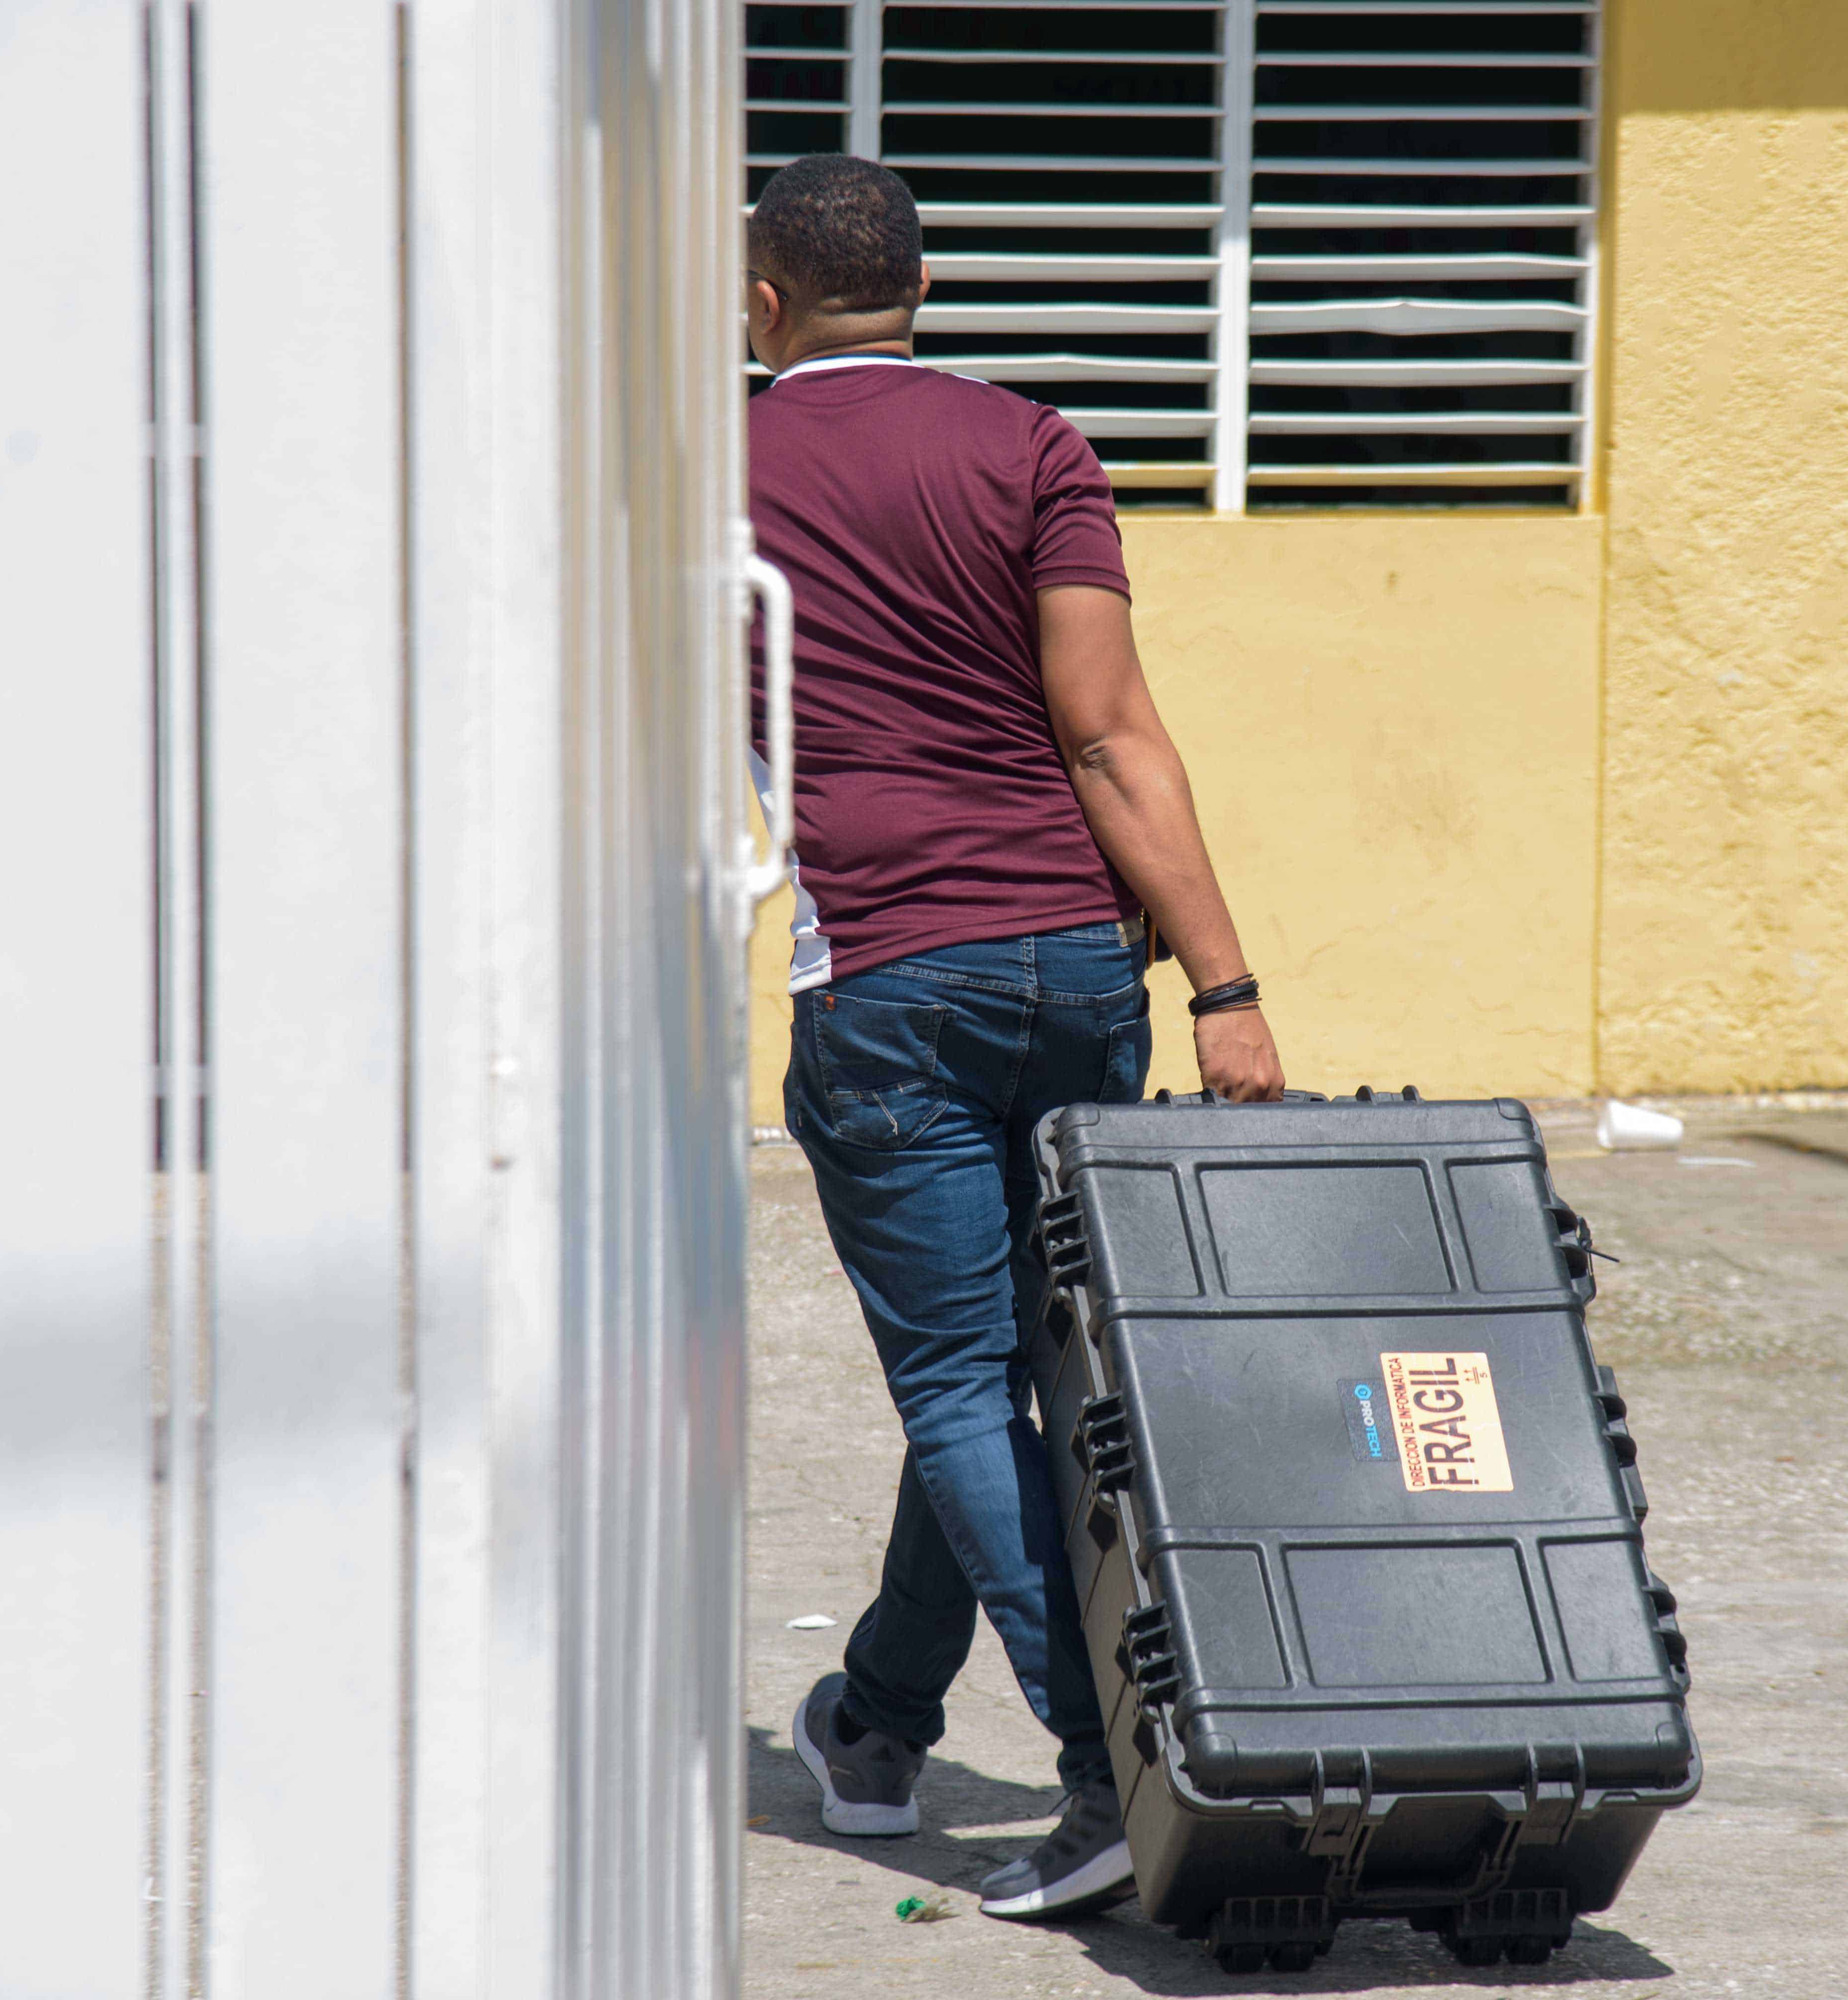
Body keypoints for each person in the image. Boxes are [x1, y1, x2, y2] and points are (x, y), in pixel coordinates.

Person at [746, 153, 1286, 1921]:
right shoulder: (1035, 446)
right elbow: (1111, 730)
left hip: (888, 977)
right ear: (925, 288)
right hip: (1074, 965)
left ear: (762, 305)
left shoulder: (703, 475)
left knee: (962, 1376)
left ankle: (1114, 1765)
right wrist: (1224, 987)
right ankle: (884, 1723)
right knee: (1008, 1361)